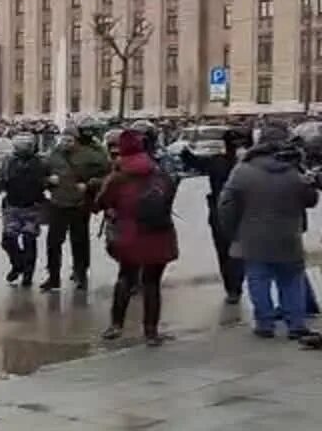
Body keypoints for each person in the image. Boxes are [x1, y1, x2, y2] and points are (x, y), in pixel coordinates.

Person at [218, 124, 319, 341]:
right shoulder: (295, 169)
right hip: (288, 235)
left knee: (258, 279)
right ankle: (296, 324)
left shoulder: (243, 170)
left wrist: (231, 230)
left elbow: (226, 204)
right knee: (291, 279)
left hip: (253, 236)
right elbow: (310, 200)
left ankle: (265, 323)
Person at [97, 130, 179, 346]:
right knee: (152, 283)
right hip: (160, 232)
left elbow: (101, 201)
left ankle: (116, 325)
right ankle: (151, 332)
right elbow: (170, 193)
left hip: (130, 233)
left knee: (126, 277)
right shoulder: (158, 171)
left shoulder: (118, 175)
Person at [181, 128, 252, 304]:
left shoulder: (217, 161)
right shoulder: (251, 163)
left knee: (225, 251)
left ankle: (232, 288)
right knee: (239, 250)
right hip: (245, 212)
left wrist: (184, 151)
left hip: (221, 211)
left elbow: (193, 162)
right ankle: (236, 285)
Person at [42, 123, 111, 291]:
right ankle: (53, 277)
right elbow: (41, 174)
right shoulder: (53, 155)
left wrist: (88, 185)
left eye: (70, 140)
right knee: (53, 242)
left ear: (76, 141)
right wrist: (48, 181)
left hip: (79, 205)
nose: (66, 143)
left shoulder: (89, 155)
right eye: (64, 140)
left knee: (79, 241)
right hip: (58, 204)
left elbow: (106, 174)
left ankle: (80, 274)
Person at [0, 133, 49, 288]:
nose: (22, 150)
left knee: (29, 238)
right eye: (19, 147)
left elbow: (52, 178)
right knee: (8, 240)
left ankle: (28, 273)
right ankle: (18, 263)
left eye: (26, 146)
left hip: (33, 206)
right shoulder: (8, 161)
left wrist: (52, 183)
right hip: (12, 206)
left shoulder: (41, 162)